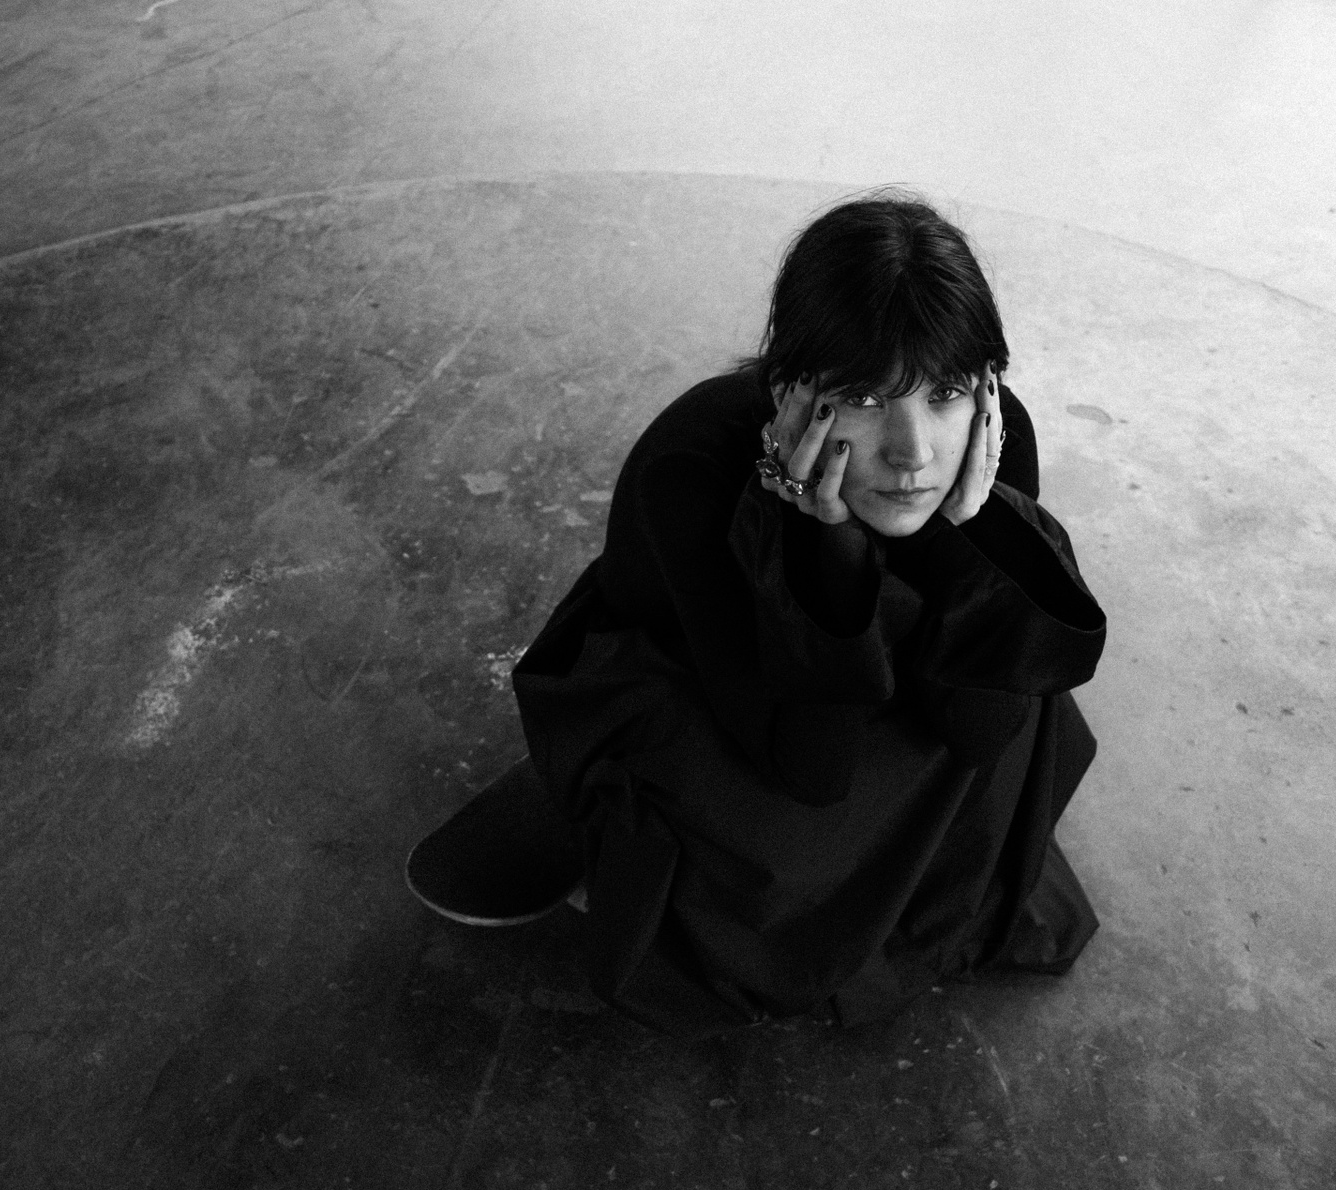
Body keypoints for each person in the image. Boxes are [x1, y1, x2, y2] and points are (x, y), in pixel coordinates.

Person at [408, 192, 1107, 1037]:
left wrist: (967, 535)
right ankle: (598, 812)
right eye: (865, 398)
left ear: (987, 389)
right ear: (790, 389)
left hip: (873, 701)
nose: (914, 453)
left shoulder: (990, 442)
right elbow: (811, 769)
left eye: (947, 393)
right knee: (784, 852)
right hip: (727, 699)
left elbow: (980, 732)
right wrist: (825, 543)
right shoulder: (691, 467)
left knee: (1016, 677)